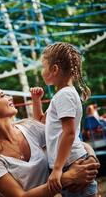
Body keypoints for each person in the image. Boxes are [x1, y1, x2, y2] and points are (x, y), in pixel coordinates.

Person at [0, 83, 100, 197]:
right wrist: (67, 178)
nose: (9, 97)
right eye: (2, 95)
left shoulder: (29, 127)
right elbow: (21, 196)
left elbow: (74, 143)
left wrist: (91, 161)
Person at [30, 42, 99, 197]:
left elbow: (69, 133)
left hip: (70, 163)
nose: (42, 71)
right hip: (67, 163)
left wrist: (57, 169)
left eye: (43, 66)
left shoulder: (65, 95)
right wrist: (36, 100)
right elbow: (41, 121)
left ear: (54, 69)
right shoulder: (62, 95)